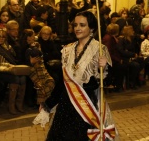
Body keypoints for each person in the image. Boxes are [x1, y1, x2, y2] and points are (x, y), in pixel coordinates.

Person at [44, 11, 117, 141]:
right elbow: (62, 81)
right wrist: (49, 103)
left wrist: (106, 67)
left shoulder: (99, 49)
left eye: (82, 25)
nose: (77, 28)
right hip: (66, 106)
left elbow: (108, 81)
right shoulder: (67, 49)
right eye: (75, 25)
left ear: (92, 28)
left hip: (87, 106)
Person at [0, 29, 26, 114]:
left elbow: (15, 58)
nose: (1, 38)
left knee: (22, 78)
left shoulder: (7, 46)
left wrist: (10, 50)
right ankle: (11, 105)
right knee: (14, 78)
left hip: (10, 69)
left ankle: (18, 104)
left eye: (3, 37)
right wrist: (6, 67)